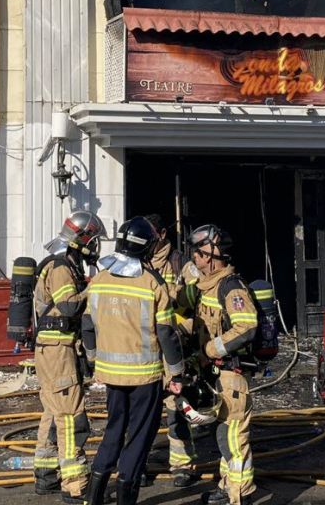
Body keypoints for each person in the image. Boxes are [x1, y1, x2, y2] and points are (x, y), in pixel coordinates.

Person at [81, 216, 186, 505]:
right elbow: (166, 334)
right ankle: (126, 497)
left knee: (113, 431)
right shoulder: (152, 283)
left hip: (111, 376)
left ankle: (94, 497)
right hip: (145, 377)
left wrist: (94, 361)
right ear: (147, 248)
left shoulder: (100, 279)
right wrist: (177, 373)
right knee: (139, 438)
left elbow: (87, 326)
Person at [33, 210, 106, 503]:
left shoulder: (64, 262)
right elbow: (68, 307)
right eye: (93, 240)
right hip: (58, 350)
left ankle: (46, 473)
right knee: (70, 416)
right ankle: (75, 485)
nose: (95, 246)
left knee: (52, 411)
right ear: (82, 238)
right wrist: (94, 287)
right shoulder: (62, 266)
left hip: (54, 349)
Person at [186, 225, 258, 505]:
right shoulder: (207, 286)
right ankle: (228, 487)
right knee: (223, 434)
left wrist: (210, 349)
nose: (194, 257)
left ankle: (240, 495)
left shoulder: (231, 287)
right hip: (216, 373)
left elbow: (246, 326)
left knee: (233, 438)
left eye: (198, 252)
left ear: (212, 254)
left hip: (231, 373)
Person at [143, 214, 198, 487]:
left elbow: (199, 297)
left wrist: (182, 328)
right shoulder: (137, 265)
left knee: (177, 408)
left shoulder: (181, 264)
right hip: (145, 351)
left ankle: (182, 465)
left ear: (162, 234)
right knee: (142, 410)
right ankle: (138, 463)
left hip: (174, 348)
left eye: (150, 233)